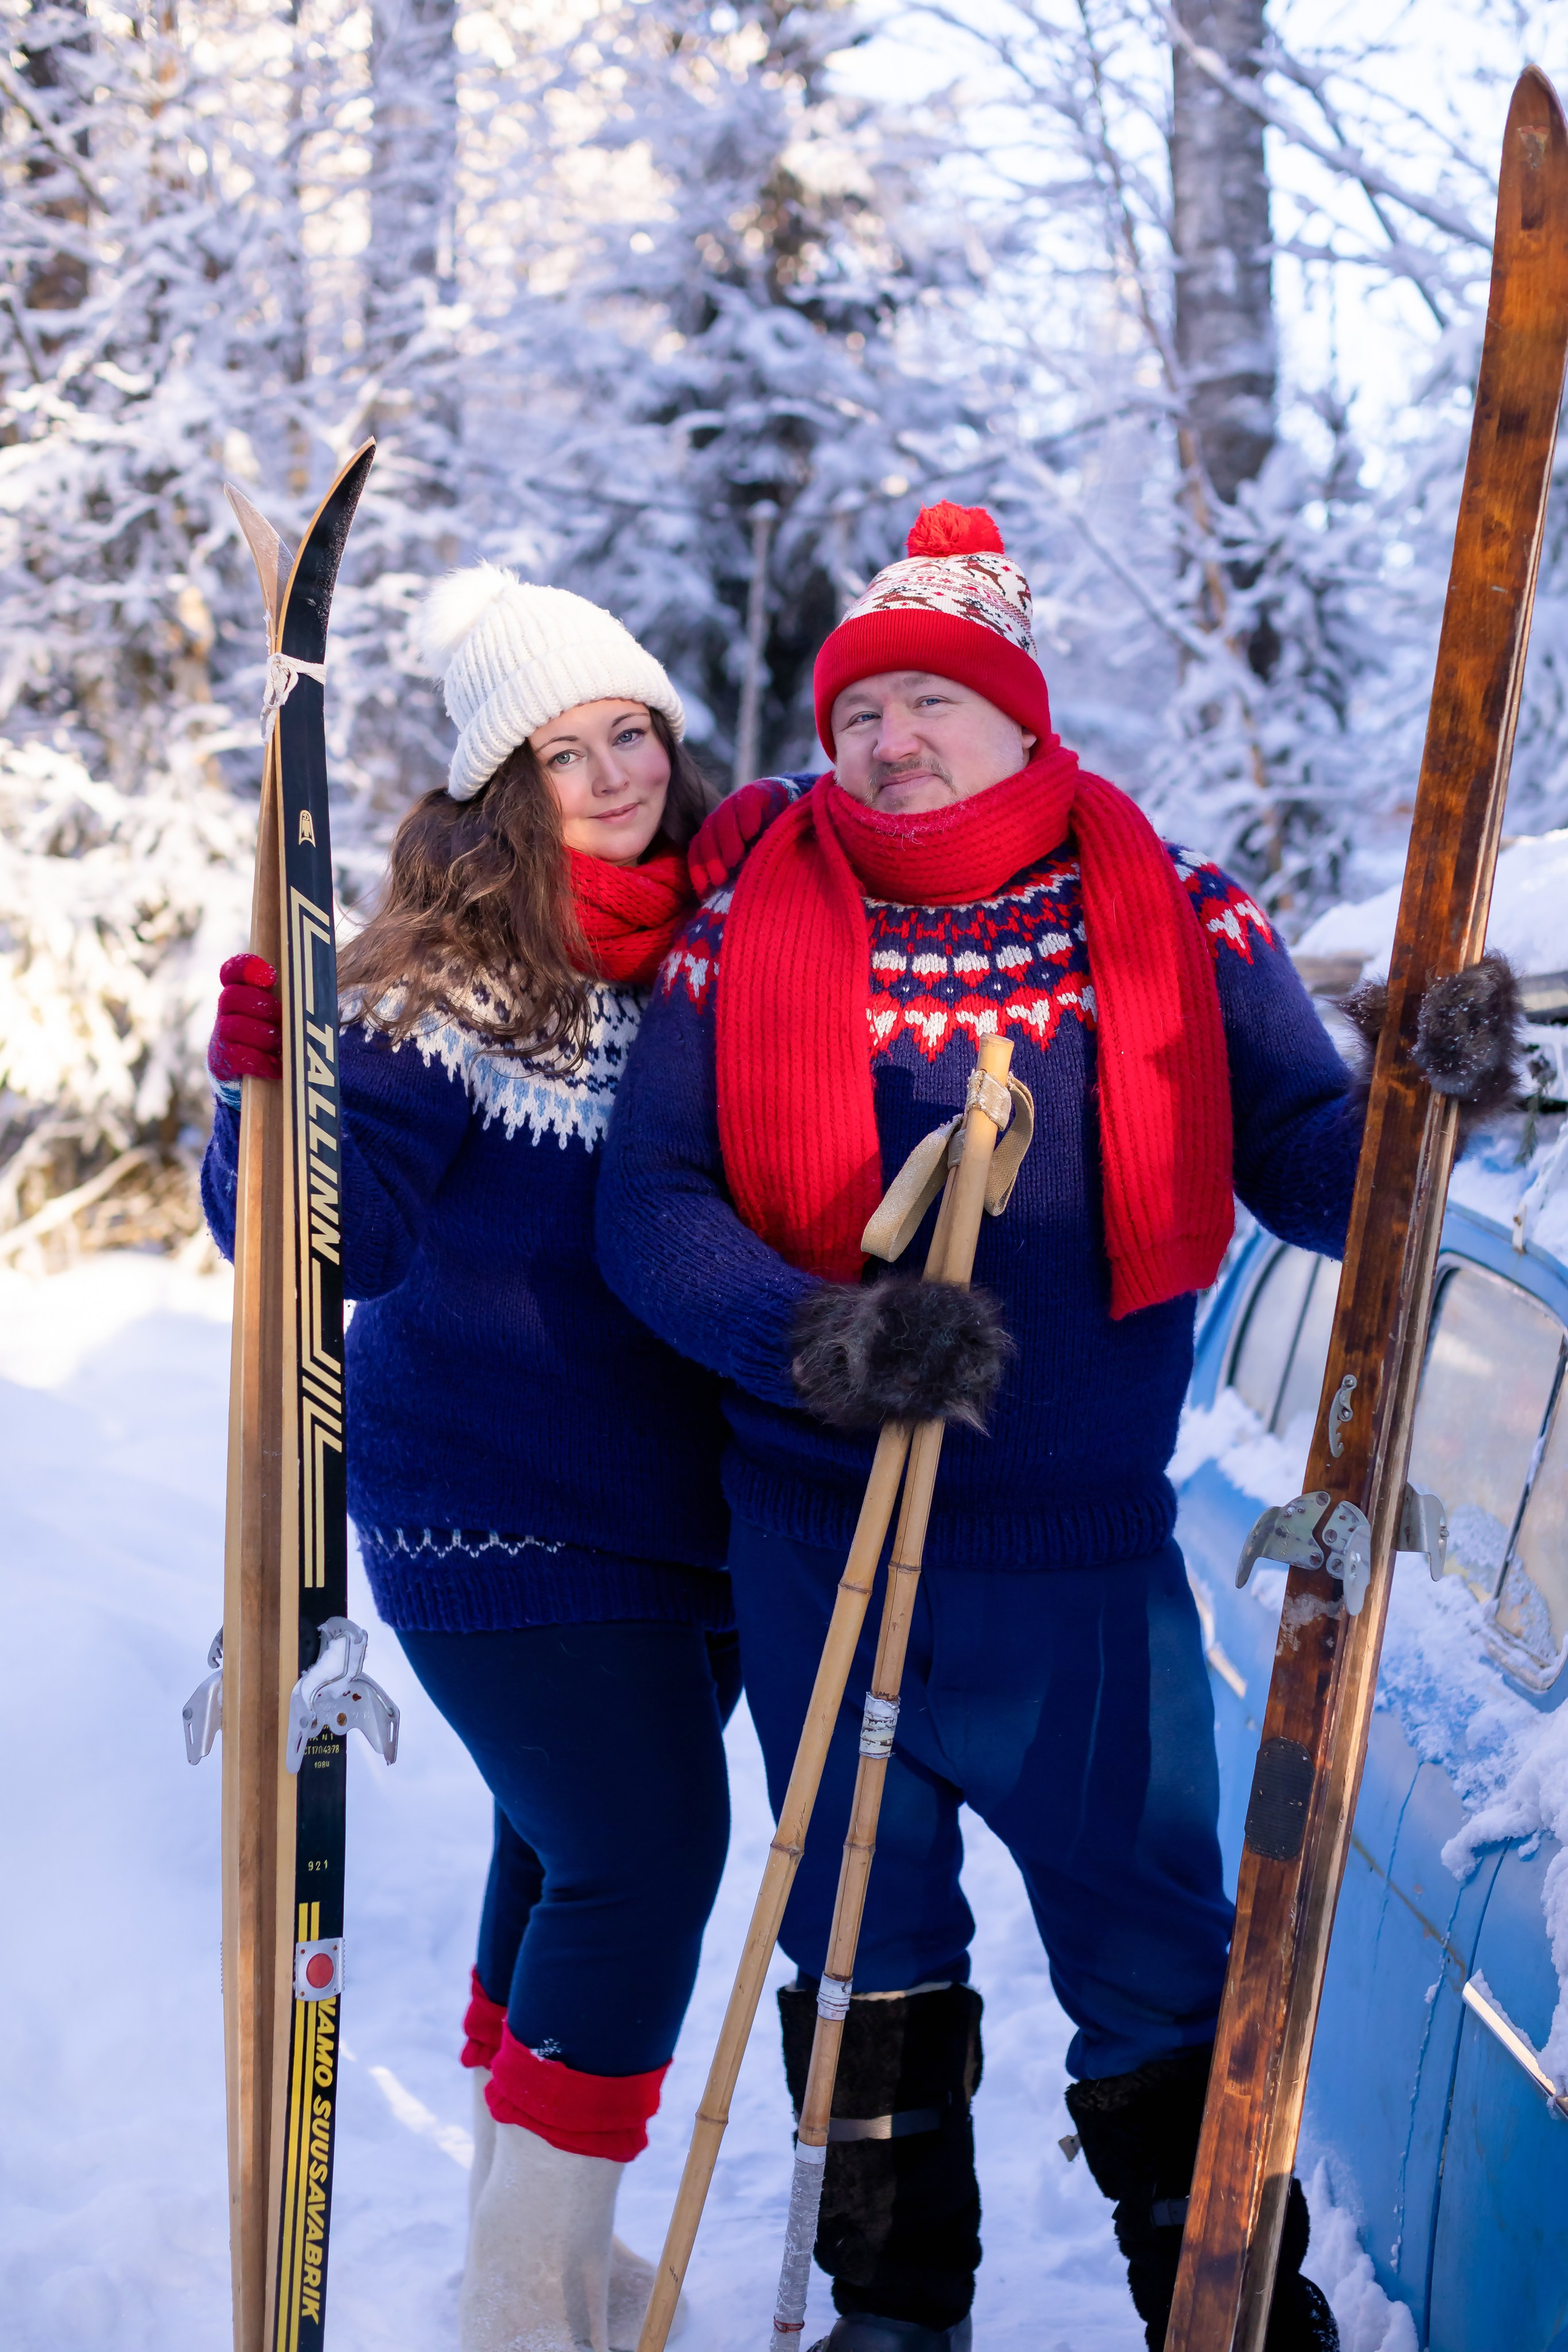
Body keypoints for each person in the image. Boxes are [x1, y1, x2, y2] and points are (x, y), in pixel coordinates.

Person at [594, 506, 1521, 2352]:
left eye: (929, 703)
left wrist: (1425, 1097)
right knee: (859, 1958)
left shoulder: (1169, 909)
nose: (887, 741)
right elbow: (652, 1205)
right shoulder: (746, 920)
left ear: (1023, 725)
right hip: (815, 1539)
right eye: (857, 712)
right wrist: (817, 1338)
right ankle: (891, 2313)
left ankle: (1233, 2316)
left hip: (1080, 1574)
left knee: (1163, 1965)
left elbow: (1309, 1174)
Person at [202, 566, 758, 2352]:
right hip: (499, 1517)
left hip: (691, 1519)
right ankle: (528, 2303)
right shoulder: (437, 989)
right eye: (562, 749)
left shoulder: (710, 957)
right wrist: (259, 1100)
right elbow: (319, 1250)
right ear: (496, 786)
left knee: (558, 1864)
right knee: (645, 1863)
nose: (614, 774)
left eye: (633, 732)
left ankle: (533, 2256)